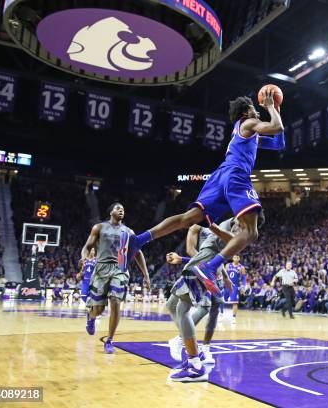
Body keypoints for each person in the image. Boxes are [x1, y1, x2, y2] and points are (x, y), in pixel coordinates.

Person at [124, 90, 284, 295]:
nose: (257, 109)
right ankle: (210, 267)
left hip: (219, 177)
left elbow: (279, 142)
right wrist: (270, 106)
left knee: (188, 218)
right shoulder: (248, 123)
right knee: (251, 232)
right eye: (254, 107)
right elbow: (276, 126)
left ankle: (139, 240)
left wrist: (277, 108)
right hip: (236, 175)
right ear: (246, 112)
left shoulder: (246, 133)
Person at [164, 217, 240, 382]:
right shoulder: (219, 225)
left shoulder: (237, 230)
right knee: (171, 305)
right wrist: (182, 259)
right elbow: (198, 251)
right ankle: (190, 348)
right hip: (199, 266)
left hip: (203, 269)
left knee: (185, 309)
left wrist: (225, 276)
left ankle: (195, 361)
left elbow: (226, 246)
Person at [79, 203, 149, 354]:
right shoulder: (99, 227)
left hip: (120, 269)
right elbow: (87, 246)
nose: (121, 210)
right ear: (111, 212)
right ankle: (91, 316)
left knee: (116, 302)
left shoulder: (129, 232)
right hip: (101, 268)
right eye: (118, 208)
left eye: (123, 209)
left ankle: (109, 341)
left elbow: (137, 253)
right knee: (98, 309)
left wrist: (146, 275)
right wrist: (84, 259)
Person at [224, 255, 247, 324]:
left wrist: (243, 287)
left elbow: (243, 278)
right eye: (234, 257)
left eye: (237, 257)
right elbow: (224, 275)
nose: (235, 258)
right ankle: (221, 313)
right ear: (232, 258)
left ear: (239, 259)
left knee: (235, 302)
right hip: (226, 285)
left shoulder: (241, 267)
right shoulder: (228, 265)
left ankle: (234, 317)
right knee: (221, 300)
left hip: (235, 286)